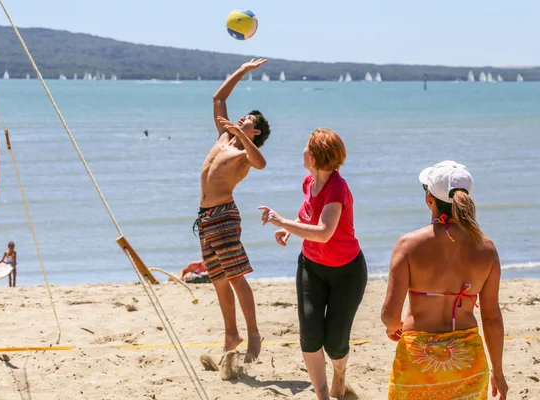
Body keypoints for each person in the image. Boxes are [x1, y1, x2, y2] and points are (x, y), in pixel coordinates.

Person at [381, 161, 508, 400]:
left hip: (418, 364)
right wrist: (498, 372)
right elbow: (492, 318)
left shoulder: (408, 246)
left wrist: (392, 327)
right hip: (467, 363)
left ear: (430, 199)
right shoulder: (486, 248)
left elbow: (390, 315)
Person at [258, 127, 367, 399]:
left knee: (335, 343)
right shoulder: (309, 182)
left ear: (316, 157)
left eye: (307, 146)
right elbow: (309, 216)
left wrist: (282, 222)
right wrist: (290, 229)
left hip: (347, 272)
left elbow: (324, 232)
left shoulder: (338, 188)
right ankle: (322, 396)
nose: (302, 150)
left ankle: (339, 374)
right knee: (309, 337)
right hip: (311, 268)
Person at [193, 58, 270, 364]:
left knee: (236, 276)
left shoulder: (244, 152)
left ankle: (253, 334)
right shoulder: (224, 137)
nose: (242, 118)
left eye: (249, 119)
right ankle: (230, 335)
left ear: (256, 132)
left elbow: (261, 163)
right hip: (205, 217)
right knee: (218, 278)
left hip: (224, 216)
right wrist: (241, 71)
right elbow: (219, 98)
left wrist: (241, 137)